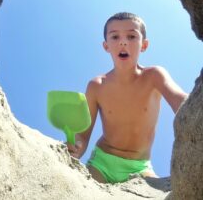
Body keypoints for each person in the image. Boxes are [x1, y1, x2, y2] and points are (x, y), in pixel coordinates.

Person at [67, 12, 188, 184]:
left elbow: (181, 101)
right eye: (115, 36)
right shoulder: (97, 85)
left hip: (140, 167)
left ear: (144, 45)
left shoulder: (154, 76)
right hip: (102, 163)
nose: (123, 41)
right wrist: (76, 147)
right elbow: (83, 134)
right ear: (106, 46)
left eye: (131, 36)